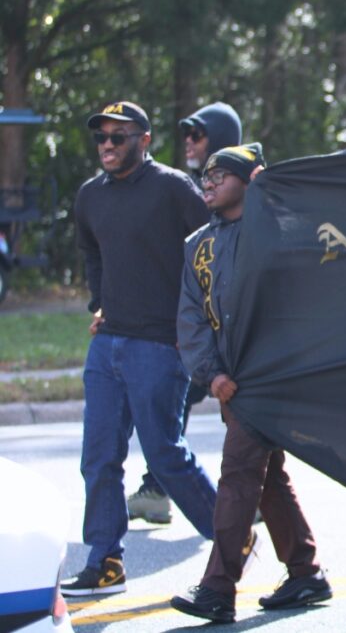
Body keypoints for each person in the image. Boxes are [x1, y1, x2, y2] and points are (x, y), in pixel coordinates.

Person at [61, 101, 217, 596]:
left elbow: (211, 251)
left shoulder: (173, 189)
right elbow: (92, 252)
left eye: (119, 136)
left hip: (159, 344)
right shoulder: (90, 196)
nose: (108, 145)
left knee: (165, 456)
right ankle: (105, 561)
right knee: (99, 456)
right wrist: (100, 301)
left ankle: (232, 542)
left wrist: (195, 324)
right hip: (107, 346)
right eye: (102, 137)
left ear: (144, 141)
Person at [170, 144, 332, 623]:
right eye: (206, 174)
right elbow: (190, 318)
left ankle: (217, 589)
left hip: (269, 379)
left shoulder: (279, 234)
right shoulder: (197, 245)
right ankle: (306, 573)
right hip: (230, 385)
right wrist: (212, 374)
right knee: (268, 481)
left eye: (222, 174)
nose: (209, 181)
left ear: (250, 179)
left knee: (239, 475)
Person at [127, 100, 243, 525]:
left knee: (243, 416)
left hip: (231, 326)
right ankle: (160, 486)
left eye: (199, 134)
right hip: (193, 324)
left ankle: (253, 497)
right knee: (179, 405)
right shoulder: (187, 187)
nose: (189, 143)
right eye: (187, 135)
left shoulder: (234, 194)